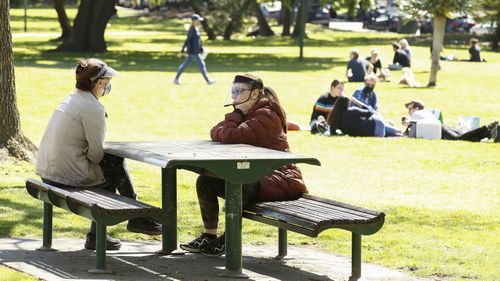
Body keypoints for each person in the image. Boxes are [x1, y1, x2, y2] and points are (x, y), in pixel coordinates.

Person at [36, 59, 162, 251]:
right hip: (65, 176)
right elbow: (96, 156)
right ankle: (131, 220)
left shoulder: (71, 97)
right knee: (113, 162)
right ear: (100, 82)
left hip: (48, 171)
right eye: (108, 81)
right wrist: (92, 149)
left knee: (110, 165)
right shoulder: (93, 108)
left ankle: (123, 224)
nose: (108, 86)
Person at [180, 73, 308, 256]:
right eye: (233, 90)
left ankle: (229, 239)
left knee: (239, 184)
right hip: (262, 177)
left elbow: (230, 135)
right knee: (205, 182)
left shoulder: (266, 115)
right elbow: (216, 131)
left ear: (254, 94)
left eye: (239, 91)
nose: (234, 96)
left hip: (282, 178)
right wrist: (237, 115)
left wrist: (237, 114)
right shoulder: (248, 113)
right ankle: (209, 236)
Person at [403, 100, 498, 142]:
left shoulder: (417, 115)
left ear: (417, 108)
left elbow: (411, 131)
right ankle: (489, 133)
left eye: (410, 109)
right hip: (443, 126)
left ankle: (487, 128)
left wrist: (407, 123)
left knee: (458, 139)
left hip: (440, 129)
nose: (409, 111)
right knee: (469, 139)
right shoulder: (426, 113)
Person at [173, 14, 216, 85]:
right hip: (193, 52)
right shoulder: (192, 30)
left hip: (194, 51)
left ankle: (176, 79)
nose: (199, 21)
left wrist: (201, 48)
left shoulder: (196, 28)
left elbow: (197, 40)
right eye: (198, 20)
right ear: (194, 21)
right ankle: (208, 81)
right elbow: (187, 40)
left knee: (184, 65)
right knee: (202, 64)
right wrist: (182, 50)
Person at [326, 96, 391, 137]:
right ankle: (391, 125)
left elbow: (333, 132)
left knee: (388, 132)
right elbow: (370, 112)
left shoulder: (334, 117)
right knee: (389, 132)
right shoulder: (352, 111)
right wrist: (358, 103)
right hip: (375, 123)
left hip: (372, 127)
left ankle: (389, 124)